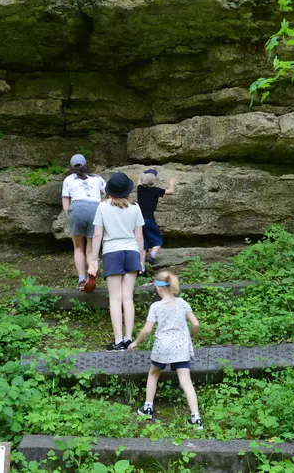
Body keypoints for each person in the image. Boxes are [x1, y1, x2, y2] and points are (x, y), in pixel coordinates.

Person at [129, 270, 202, 430]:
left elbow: (147, 330)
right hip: (181, 346)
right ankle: (196, 418)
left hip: (162, 346)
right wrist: (191, 336)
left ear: (160, 288)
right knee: (186, 382)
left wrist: (136, 342)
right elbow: (196, 324)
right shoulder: (182, 303)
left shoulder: (156, 306)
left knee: (153, 374)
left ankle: (148, 408)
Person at [88, 172, 145, 351]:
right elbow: (140, 237)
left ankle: (118, 341)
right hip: (132, 251)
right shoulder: (135, 207)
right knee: (128, 297)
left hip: (112, 252)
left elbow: (97, 235)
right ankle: (129, 339)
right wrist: (141, 260)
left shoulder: (103, 207)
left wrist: (94, 260)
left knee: (115, 298)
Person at [61, 154, 106, 290]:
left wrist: (70, 217)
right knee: (91, 248)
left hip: (77, 208)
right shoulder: (97, 178)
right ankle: (91, 274)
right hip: (95, 208)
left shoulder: (68, 179)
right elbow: (109, 192)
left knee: (78, 246)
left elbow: (65, 202)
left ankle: (81, 279)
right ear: (86, 164)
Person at [136, 168, 175, 267]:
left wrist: (144, 174)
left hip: (139, 220)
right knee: (157, 241)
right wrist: (171, 183)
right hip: (149, 219)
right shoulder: (155, 190)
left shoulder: (140, 189)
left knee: (143, 244)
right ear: (153, 181)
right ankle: (152, 256)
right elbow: (171, 191)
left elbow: (138, 181)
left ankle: (142, 267)